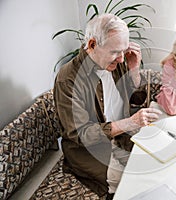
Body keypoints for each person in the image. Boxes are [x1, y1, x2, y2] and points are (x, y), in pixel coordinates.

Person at [53, 14, 161, 199]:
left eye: (123, 51)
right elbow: (81, 134)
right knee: (136, 184)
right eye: (114, 52)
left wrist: (134, 70)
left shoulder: (115, 63)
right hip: (89, 151)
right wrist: (129, 123)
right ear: (92, 45)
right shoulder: (68, 79)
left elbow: (135, 100)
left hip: (122, 137)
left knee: (158, 166)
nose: (120, 59)